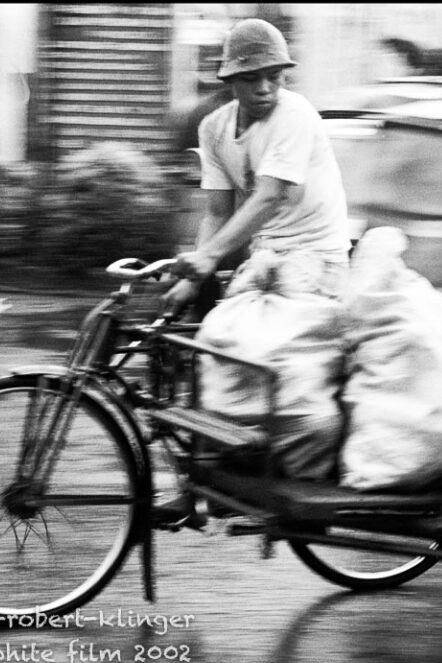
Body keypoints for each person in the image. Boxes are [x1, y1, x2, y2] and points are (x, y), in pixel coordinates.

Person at [154, 18, 352, 528]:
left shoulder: (297, 115)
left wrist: (206, 260)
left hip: (316, 260)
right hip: (267, 260)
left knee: (262, 358)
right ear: (230, 82)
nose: (264, 88)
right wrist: (191, 276)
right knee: (206, 351)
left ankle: (297, 485)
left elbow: (268, 196)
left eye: (274, 77)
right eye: (251, 78)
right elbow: (218, 212)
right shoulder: (214, 129)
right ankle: (200, 484)